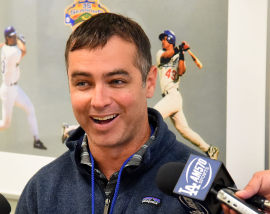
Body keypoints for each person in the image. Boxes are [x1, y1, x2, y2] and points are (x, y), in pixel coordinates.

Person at [15, 13, 205, 213]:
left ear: (149, 83)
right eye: (83, 83)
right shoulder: (42, 189)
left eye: (117, 81)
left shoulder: (201, 184)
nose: (99, 101)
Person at [153, 30, 219, 160]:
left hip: (173, 96)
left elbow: (181, 71)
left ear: (170, 39)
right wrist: (179, 48)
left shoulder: (178, 55)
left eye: (164, 39)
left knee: (151, 117)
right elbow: (166, 57)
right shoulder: (161, 53)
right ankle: (209, 149)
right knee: (184, 130)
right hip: (169, 98)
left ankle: (151, 151)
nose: (162, 41)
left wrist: (182, 53)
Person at [0, 26, 47, 150]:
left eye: (14, 36)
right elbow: (23, 51)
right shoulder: (11, 52)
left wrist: (17, 41)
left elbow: (19, 51)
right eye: (12, 36)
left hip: (15, 89)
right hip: (7, 91)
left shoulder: (7, 48)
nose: (15, 37)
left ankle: (36, 140)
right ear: (7, 38)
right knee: (6, 124)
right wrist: (21, 42)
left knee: (30, 108)